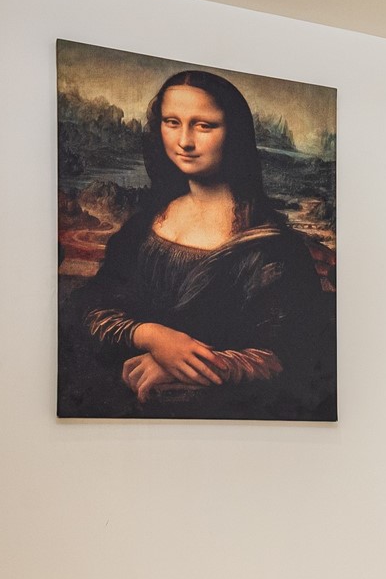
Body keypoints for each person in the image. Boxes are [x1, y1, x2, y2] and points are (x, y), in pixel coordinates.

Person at [60, 69, 334, 420]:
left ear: (233, 134)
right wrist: (152, 336)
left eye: (204, 126)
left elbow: (289, 357)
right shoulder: (144, 226)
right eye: (172, 122)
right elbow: (90, 307)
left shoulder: (272, 249)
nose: (184, 141)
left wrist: (187, 366)